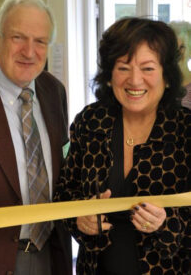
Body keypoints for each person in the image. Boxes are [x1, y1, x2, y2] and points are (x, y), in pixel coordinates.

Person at [54, 17, 191, 275]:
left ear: (167, 75)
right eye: (123, 67)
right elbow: (64, 194)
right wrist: (78, 219)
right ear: (109, 74)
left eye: (148, 68)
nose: (135, 80)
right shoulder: (90, 122)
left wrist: (167, 223)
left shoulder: (185, 130)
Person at [0, 0, 72, 275]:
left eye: (40, 41)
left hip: (51, 254)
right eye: (18, 37)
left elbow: (62, 165)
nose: (29, 51)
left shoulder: (53, 91)